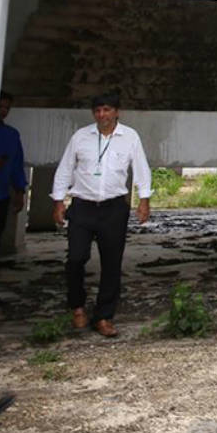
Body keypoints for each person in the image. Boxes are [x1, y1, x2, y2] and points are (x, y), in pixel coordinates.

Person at [50, 93, 152, 338]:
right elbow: (65, 169)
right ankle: (77, 306)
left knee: (112, 263)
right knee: (76, 258)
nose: (101, 115)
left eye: (106, 110)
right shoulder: (81, 136)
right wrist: (58, 201)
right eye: (97, 110)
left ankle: (104, 317)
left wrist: (144, 201)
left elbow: (141, 169)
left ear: (117, 112)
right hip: (82, 207)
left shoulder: (130, 137)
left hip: (113, 208)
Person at [0, 91, 27, 247]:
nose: (3, 111)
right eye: (0, 107)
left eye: (6, 108)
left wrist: (20, 191)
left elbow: (17, 165)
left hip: (1, 196)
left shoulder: (11, 135)